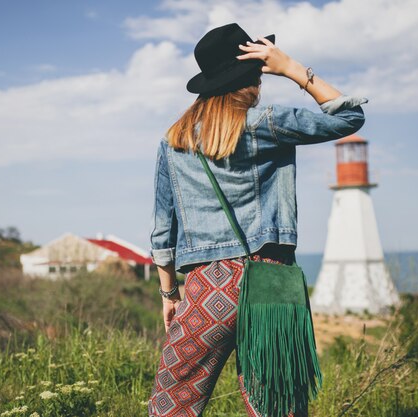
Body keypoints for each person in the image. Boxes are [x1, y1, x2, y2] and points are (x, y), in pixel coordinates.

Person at [147, 23, 367, 417]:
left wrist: (169, 294)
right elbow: (349, 117)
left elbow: (164, 231)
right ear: (252, 77)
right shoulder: (266, 122)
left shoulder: (174, 139)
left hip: (208, 287)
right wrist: (295, 70)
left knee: (174, 402)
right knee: (276, 406)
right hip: (271, 285)